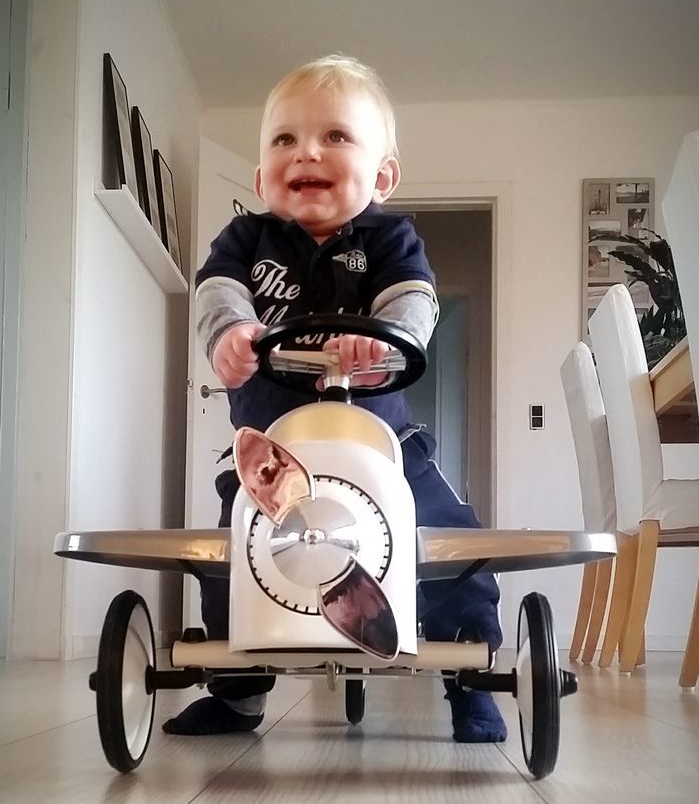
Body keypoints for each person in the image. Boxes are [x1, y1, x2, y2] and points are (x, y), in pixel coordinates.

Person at [163, 55, 504, 743]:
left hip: (382, 448)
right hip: (270, 456)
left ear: (382, 175)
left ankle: (469, 673)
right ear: (260, 177)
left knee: (454, 542)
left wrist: (386, 338)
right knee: (230, 557)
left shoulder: (388, 237)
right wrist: (227, 331)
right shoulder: (245, 238)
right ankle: (238, 694)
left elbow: (413, 298)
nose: (306, 152)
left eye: (334, 137)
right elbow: (216, 291)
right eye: (284, 140)